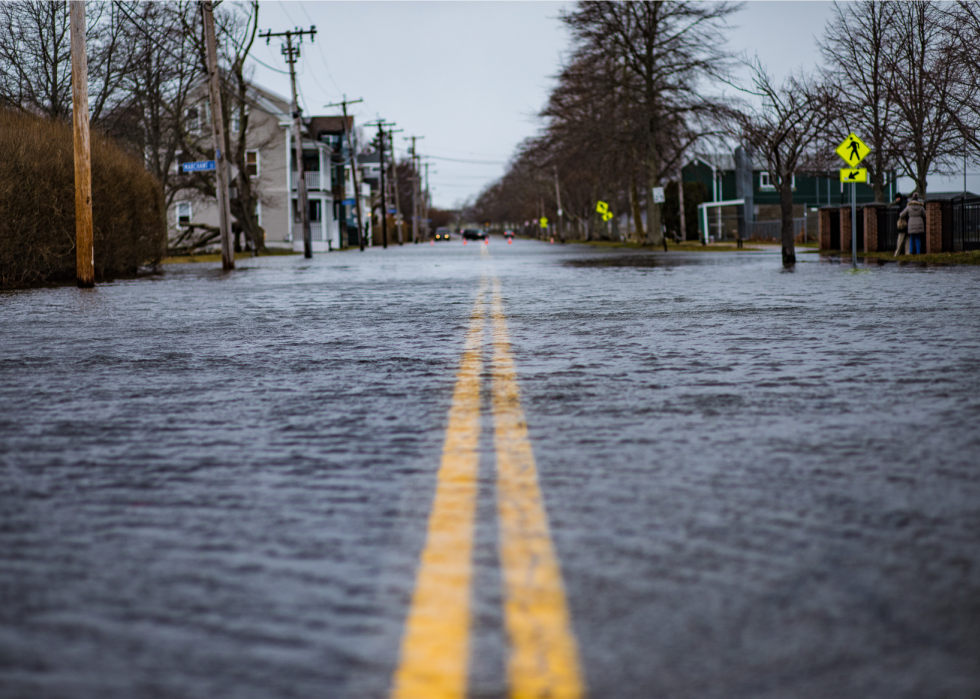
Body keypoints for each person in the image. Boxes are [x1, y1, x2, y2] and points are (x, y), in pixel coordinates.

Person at [893, 192, 908, 256]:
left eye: (897, 198)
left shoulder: (902, 204)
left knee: (900, 240)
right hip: (907, 224)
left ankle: (897, 253)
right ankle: (907, 253)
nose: (897, 199)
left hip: (903, 225)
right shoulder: (905, 202)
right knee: (907, 239)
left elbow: (902, 214)